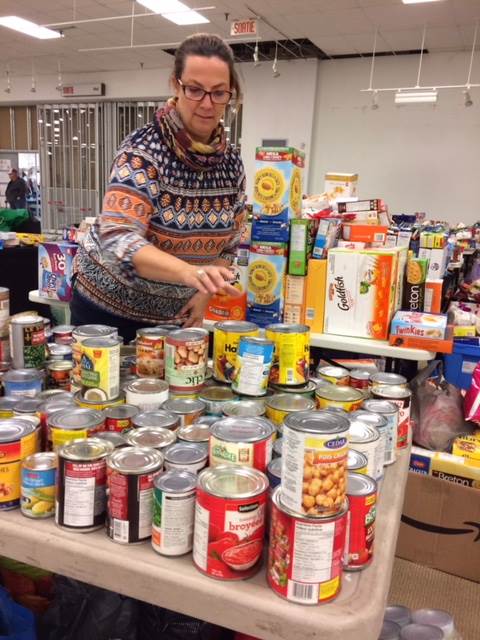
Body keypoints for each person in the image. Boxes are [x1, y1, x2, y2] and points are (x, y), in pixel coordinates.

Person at [71, 33, 245, 342]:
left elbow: (230, 245)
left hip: (172, 316)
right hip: (107, 309)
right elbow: (119, 237)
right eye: (195, 90)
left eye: (219, 92)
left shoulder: (231, 165)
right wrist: (189, 273)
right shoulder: (143, 152)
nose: (207, 104)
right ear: (176, 85)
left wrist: (204, 292)